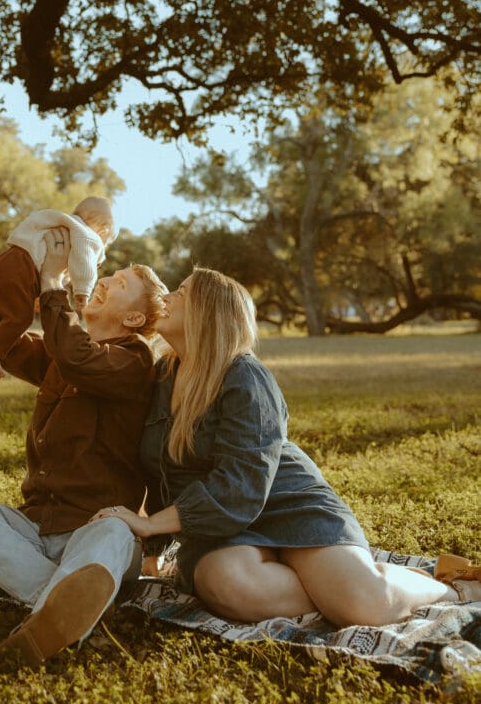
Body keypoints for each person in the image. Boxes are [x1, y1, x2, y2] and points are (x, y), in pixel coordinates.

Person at [93, 268, 480, 627]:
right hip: (218, 528)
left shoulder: (244, 376)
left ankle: (450, 587)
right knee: (227, 585)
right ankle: (334, 586)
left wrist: (148, 524)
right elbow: (153, 467)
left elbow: (240, 485)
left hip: (288, 504)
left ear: (208, 313)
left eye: (181, 292)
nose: (168, 297)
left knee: (364, 605)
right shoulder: (160, 376)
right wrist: (155, 545)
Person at [0, 229, 166, 667]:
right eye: (110, 274)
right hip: (35, 531)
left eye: (121, 283)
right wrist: (25, 265)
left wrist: (55, 287)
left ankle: (53, 607)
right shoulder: (63, 354)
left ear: (133, 320)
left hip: (93, 529)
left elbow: (77, 358)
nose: (107, 280)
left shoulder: (134, 361)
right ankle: (60, 604)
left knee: (117, 532)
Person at [0, 195, 116, 379]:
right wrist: (82, 293)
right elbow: (84, 266)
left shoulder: (54, 222)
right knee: (20, 319)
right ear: (103, 230)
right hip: (21, 269)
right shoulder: (86, 235)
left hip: (3, 262)